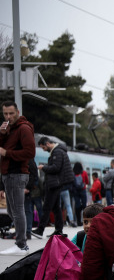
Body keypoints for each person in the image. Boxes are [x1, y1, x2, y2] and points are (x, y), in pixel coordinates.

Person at [0, 101, 36, 255]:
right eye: (5, 113)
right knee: (11, 210)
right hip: (9, 174)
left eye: (11, 113)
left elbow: (30, 153)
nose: (8, 116)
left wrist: (7, 154)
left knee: (18, 210)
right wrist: (2, 134)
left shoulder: (24, 128)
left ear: (18, 112)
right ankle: (21, 242)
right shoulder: (10, 129)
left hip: (17, 174)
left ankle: (21, 244)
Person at [35, 137, 74, 238]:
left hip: (55, 183)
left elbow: (56, 168)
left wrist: (44, 167)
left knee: (47, 207)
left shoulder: (57, 152)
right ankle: (59, 230)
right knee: (56, 208)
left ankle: (40, 230)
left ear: (47, 143)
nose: (44, 150)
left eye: (43, 147)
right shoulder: (58, 151)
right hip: (56, 183)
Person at [24, 156, 42, 240]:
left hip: (29, 191)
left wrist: (28, 187)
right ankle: (26, 230)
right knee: (30, 210)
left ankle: (27, 231)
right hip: (32, 192)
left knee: (28, 210)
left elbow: (33, 174)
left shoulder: (29, 159)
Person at [71, 161, 90, 226]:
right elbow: (87, 182)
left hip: (75, 191)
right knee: (84, 206)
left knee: (77, 206)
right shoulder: (84, 173)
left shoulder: (73, 173)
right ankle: (85, 221)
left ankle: (78, 221)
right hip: (83, 190)